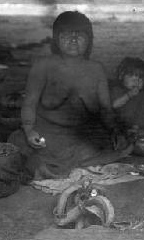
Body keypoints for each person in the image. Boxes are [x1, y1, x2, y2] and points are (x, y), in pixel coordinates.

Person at [8, 11, 127, 180]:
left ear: (89, 40)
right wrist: (29, 130)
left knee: (104, 146)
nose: (73, 40)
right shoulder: (43, 66)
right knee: (18, 141)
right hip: (46, 136)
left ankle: (50, 167)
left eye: (79, 35)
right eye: (66, 35)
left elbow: (106, 110)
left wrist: (115, 131)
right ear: (56, 39)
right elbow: (29, 103)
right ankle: (43, 164)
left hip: (80, 139)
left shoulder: (96, 69)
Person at [110, 57, 144, 137]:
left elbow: (140, 114)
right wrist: (128, 95)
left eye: (141, 79)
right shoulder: (117, 90)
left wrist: (136, 128)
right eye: (132, 77)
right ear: (121, 76)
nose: (137, 81)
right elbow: (114, 105)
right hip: (117, 123)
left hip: (133, 126)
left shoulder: (143, 96)